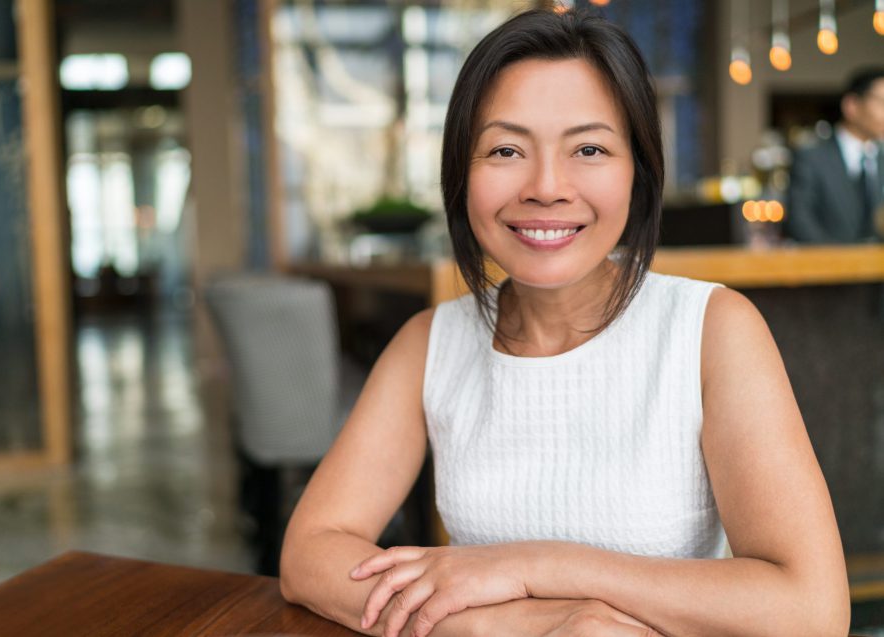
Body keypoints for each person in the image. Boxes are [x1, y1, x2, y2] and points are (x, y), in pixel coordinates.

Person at [280, 9, 850, 636]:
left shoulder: (710, 329)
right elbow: (310, 554)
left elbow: (809, 610)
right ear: (459, 175)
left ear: (639, 171)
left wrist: (535, 566)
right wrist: (507, 625)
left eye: (589, 148)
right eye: (505, 149)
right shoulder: (431, 342)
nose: (547, 186)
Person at [786, 67, 884, 243]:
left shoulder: (881, 158)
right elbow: (799, 220)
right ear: (851, 106)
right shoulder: (811, 157)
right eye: (881, 102)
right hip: (829, 265)